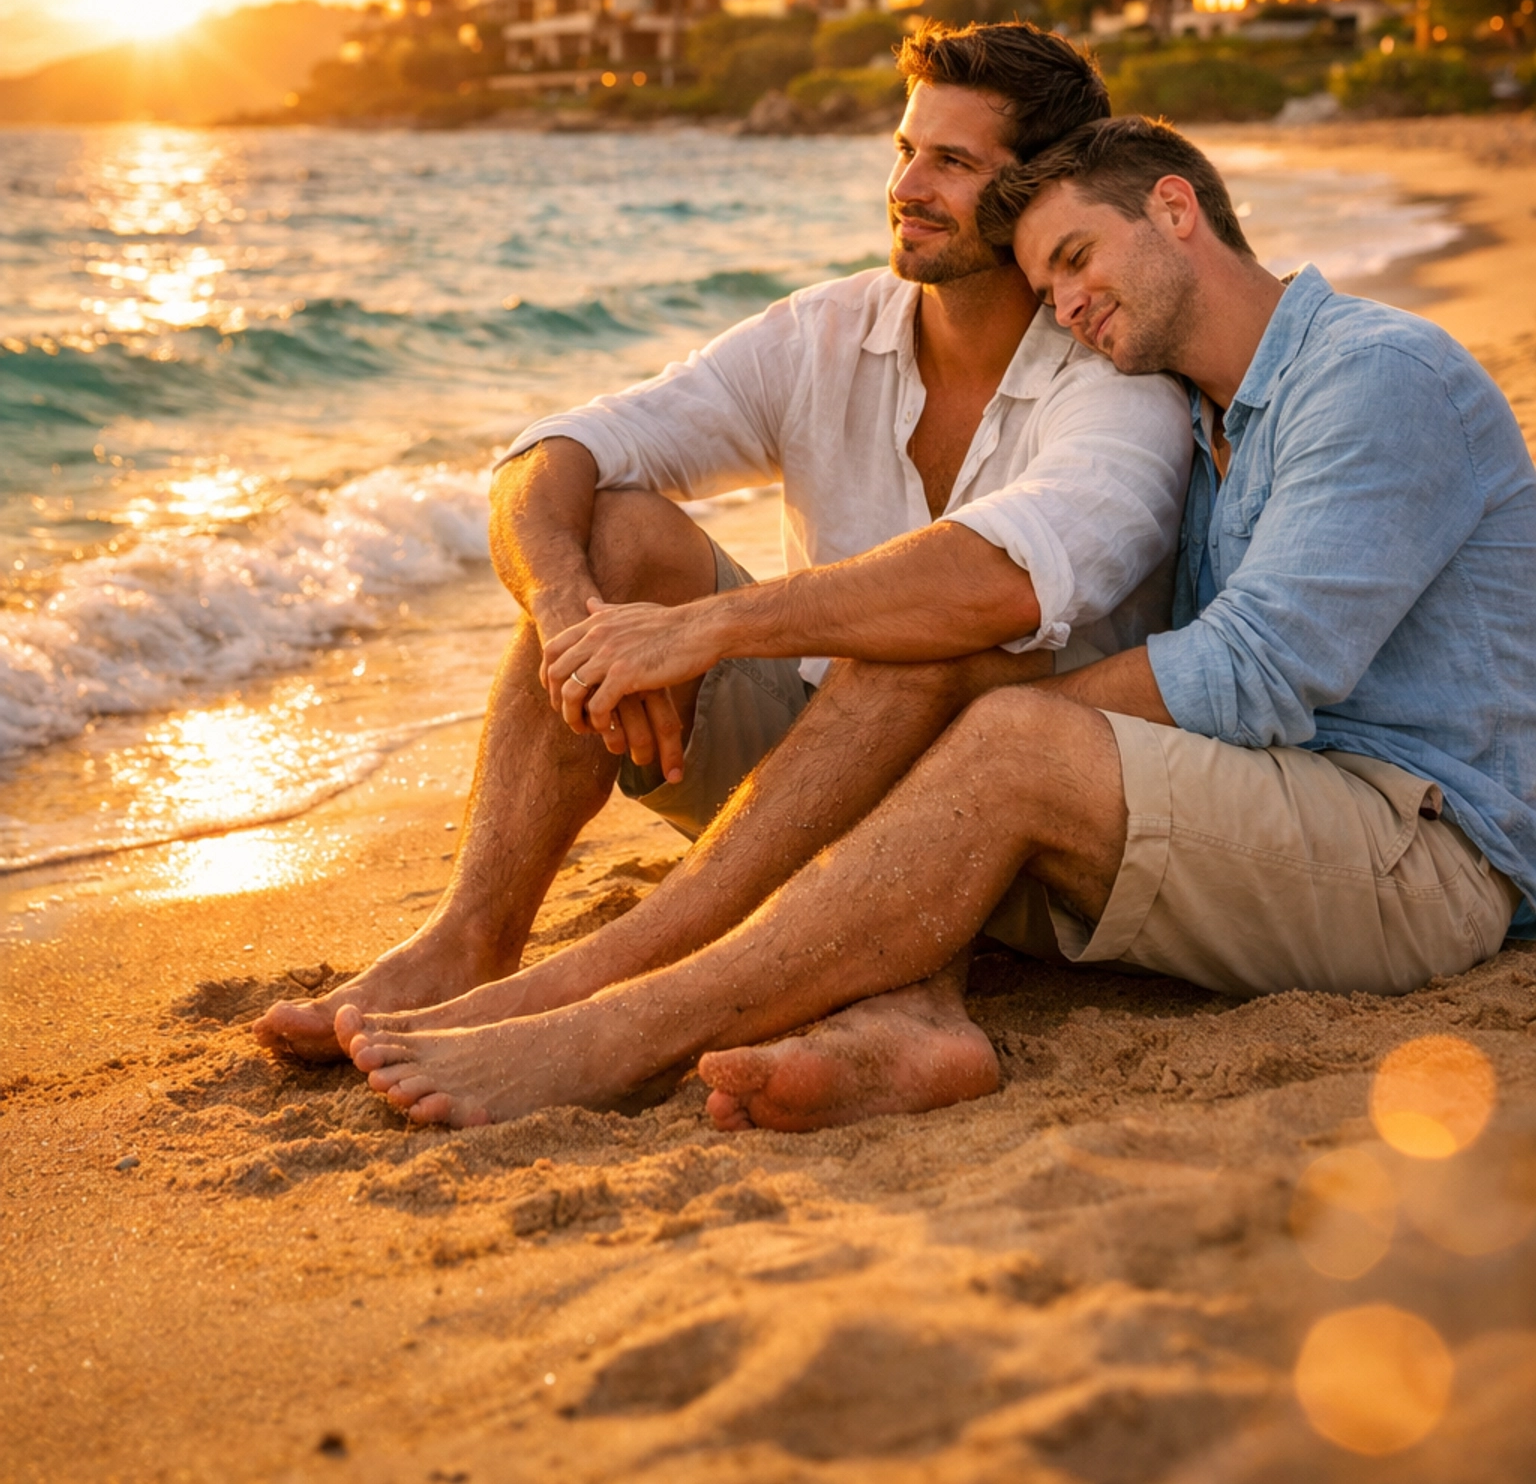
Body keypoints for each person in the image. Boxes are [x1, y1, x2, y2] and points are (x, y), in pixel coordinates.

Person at [338, 116, 1534, 1133]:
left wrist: (981, 724)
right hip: (1254, 816)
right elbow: (569, 453)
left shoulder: (1373, 376)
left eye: (1078, 258)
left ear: (1176, 210)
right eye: (1047, 284)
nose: (1068, 305)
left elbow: (1260, 672)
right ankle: (869, 1009)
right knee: (942, 696)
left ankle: (615, 1033)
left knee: (1003, 733)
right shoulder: (1208, 411)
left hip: (1419, 847)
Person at [254, 28, 1192, 1063]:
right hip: (807, 779)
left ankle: (611, 982)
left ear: (1041, 187)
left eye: (952, 163)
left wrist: (709, 629)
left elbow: (996, 582)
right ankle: (467, 942)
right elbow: (549, 454)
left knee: (933, 645)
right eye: (904, 150)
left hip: (1016, 818)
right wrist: (572, 618)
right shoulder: (829, 332)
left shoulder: (1118, 373)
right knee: (615, 533)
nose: (906, 187)